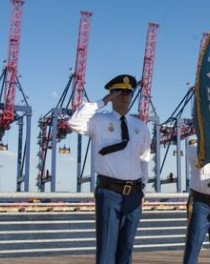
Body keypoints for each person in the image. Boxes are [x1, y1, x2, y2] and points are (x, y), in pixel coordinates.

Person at [68, 74, 151, 264]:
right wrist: (102, 102)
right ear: (112, 94)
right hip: (109, 193)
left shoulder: (141, 126)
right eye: (120, 92)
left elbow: (144, 159)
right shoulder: (98, 121)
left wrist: (143, 189)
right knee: (106, 251)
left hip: (134, 195)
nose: (125, 96)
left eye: (129, 92)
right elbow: (74, 123)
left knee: (126, 250)